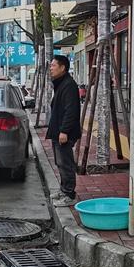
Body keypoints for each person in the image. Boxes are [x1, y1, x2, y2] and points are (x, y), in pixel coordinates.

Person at [46, 55, 81, 207]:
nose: (51, 68)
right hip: (58, 131)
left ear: (62, 68)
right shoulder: (60, 84)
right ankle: (63, 189)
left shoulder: (69, 85)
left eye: (53, 65)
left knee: (65, 162)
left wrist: (64, 131)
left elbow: (71, 110)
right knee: (60, 162)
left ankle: (69, 194)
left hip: (64, 133)